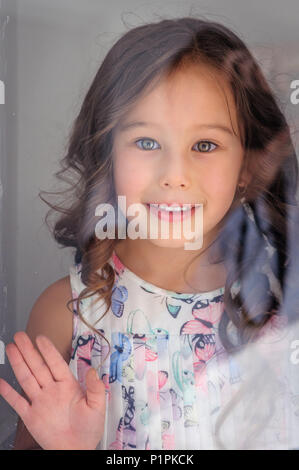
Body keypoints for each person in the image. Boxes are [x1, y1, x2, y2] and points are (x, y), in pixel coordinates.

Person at [1, 16, 299, 450]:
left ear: (247, 167)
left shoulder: (284, 314)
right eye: (146, 142)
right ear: (107, 154)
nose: (174, 175)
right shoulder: (65, 315)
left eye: (204, 145)